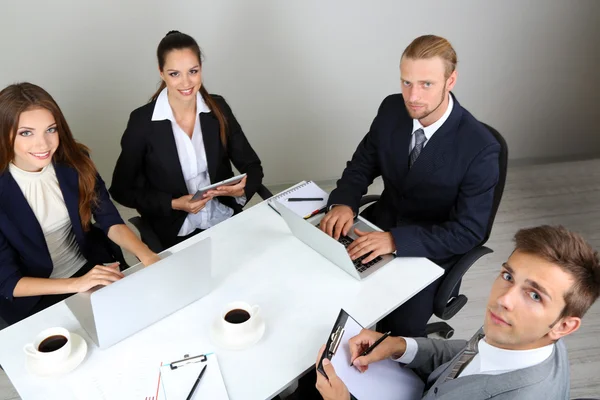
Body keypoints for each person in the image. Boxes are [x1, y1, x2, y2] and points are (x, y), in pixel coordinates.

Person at [320, 35, 501, 338]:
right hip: (379, 223)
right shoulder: (392, 109)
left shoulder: (479, 148)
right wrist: (344, 202)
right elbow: (363, 164)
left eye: (426, 84)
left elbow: (470, 231)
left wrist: (396, 241)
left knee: (397, 333)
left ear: (450, 80)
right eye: (406, 82)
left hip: (428, 249)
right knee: (327, 289)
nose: (413, 96)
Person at [314, 225, 600, 400]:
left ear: (564, 326)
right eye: (509, 277)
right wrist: (399, 346)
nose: (504, 299)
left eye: (535, 295)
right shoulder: (521, 335)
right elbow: (472, 352)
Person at [0, 83, 161, 326]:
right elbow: (8, 282)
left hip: (88, 268)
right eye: (26, 133)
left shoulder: (75, 163)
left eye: (50, 130)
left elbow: (109, 220)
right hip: (34, 297)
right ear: (5, 133)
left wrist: (146, 256)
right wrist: (77, 285)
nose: (43, 145)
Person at [110, 30, 264, 249]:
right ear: (161, 73)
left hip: (224, 219)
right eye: (175, 74)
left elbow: (253, 166)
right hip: (175, 231)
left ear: (201, 68)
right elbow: (121, 190)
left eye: (193, 71)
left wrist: (242, 189)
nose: (186, 82)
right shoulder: (142, 122)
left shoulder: (217, 108)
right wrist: (174, 204)